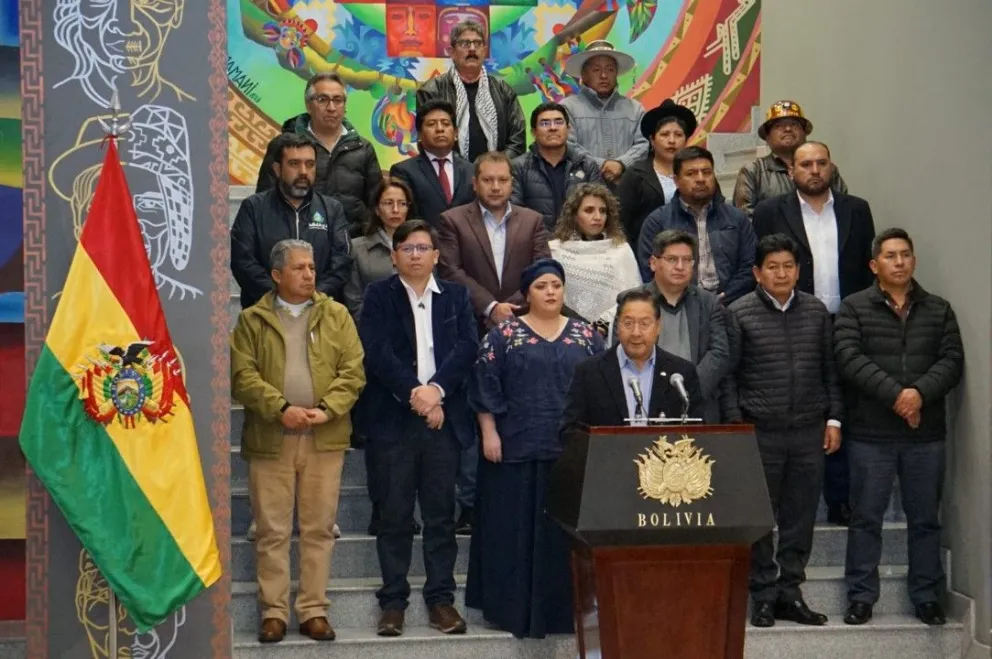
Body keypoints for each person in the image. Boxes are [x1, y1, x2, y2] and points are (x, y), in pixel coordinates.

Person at [231, 239, 366, 644]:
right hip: (271, 436)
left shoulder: (336, 315)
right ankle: (273, 612)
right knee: (271, 529)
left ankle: (313, 611)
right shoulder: (252, 320)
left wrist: (325, 409)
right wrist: (281, 408)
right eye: (299, 268)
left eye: (311, 267)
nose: (309, 274)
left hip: (324, 436)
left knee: (319, 528)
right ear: (276, 275)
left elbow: (353, 371)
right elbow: (242, 377)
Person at [833, 228, 964, 627]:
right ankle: (860, 597)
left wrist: (918, 395)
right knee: (866, 518)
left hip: (924, 436)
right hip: (871, 436)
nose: (899, 262)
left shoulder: (939, 309)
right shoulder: (854, 308)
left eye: (905, 254)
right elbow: (849, 358)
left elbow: (952, 360)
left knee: (924, 518)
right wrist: (898, 398)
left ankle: (927, 597)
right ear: (875, 265)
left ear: (914, 260)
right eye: (890, 256)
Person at [355, 221, 479, 637]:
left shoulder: (457, 297)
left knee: (441, 517)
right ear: (393, 255)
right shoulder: (378, 296)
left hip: (442, 422)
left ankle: (441, 600)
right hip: (393, 421)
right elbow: (377, 352)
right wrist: (417, 394)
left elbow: (467, 348)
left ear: (436, 255)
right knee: (394, 516)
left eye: (422, 247)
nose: (414, 254)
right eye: (406, 247)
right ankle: (393, 603)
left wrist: (438, 393)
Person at [468, 258, 604, 638]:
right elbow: (484, 384)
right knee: (511, 534)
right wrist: (489, 432)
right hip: (514, 451)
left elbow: (602, 389)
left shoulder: (586, 337)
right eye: (542, 286)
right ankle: (510, 611)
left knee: (561, 540)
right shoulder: (504, 335)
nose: (550, 292)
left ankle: (565, 613)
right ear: (527, 292)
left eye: (556, 285)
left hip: (571, 457)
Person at [721, 234, 842, 629]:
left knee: (800, 517)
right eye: (772, 267)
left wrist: (834, 419)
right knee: (758, 518)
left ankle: (791, 592)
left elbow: (831, 372)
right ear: (757, 273)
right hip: (759, 431)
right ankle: (763, 595)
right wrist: (736, 425)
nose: (781, 273)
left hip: (808, 430)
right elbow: (729, 378)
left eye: (788, 266)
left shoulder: (816, 311)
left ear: (799, 270)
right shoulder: (738, 313)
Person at [752, 140, 876, 526]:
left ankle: (840, 499)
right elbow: (766, 262)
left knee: (843, 411)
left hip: (848, 320)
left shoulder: (857, 209)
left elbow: (865, 267)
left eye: (821, 163)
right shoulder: (771, 211)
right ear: (792, 171)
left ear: (831, 167)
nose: (815, 170)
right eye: (806, 164)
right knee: (808, 403)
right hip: (795, 318)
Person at [438, 151, 550, 534]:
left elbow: (543, 270)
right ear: (475, 182)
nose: (497, 186)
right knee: (474, 420)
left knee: (517, 416)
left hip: (523, 332)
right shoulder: (453, 221)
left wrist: (515, 307)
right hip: (470, 330)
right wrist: (489, 306)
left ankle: (515, 501)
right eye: (489, 180)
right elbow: (450, 271)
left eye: (503, 180)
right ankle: (470, 505)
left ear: (511, 182)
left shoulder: (533, 221)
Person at [618, 230, 730, 423]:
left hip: (696, 405)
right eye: (672, 259)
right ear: (653, 263)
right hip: (643, 403)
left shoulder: (708, 303)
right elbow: (621, 352)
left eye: (687, 260)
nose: (680, 267)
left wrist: (688, 390)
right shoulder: (631, 300)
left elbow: (719, 354)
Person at [231, 133, 353, 309]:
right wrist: (281, 300)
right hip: (266, 315)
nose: (303, 172)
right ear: (277, 169)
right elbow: (243, 262)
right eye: (294, 164)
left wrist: (312, 298)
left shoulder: (332, 209)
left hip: (318, 313)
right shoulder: (253, 208)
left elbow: (342, 262)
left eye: (310, 164)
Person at [256, 72, 383, 236]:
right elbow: (264, 201)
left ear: (344, 106)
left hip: (352, 242)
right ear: (309, 105)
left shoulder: (362, 148)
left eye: (338, 100)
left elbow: (377, 202)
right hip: (299, 242)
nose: (331, 108)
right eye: (322, 100)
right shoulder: (285, 146)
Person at [561, 288, 703, 432]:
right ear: (617, 326)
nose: (636, 333)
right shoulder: (589, 372)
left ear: (658, 326)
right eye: (628, 323)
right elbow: (570, 431)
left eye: (644, 324)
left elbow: (698, 432)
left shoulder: (681, 373)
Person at [636, 146, 756, 304]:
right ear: (676, 181)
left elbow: (749, 265)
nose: (700, 179)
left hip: (730, 304)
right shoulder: (658, 221)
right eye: (691, 174)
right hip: (677, 307)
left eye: (706, 172)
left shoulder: (736, 218)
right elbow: (649, 269)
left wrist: (723, 298)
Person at [416, 20, 526, 162]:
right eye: (465, 44)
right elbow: (428, 141)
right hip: (450, 175)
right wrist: (462, 171)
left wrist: (496, 167)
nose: (472, 49)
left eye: (477, 43)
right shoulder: (431, 91)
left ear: (484, 51)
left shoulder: (503, 90)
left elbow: (517, 139)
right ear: (452, 52)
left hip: (496, 176)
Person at [733, 100, 847, 218]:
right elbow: (744, 218)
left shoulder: (827, 169)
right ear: (767, 137)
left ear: (805, 133)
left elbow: (843, 207)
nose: (788, 129)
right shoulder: (753, 171)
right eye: (779, 126)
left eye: (794, 125)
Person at [548, 183, 640, 324]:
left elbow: (632, 294)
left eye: (603, 211)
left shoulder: (621, 249)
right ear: (574, 215)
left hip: (612, 330)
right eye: (589, 210)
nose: (598, 217)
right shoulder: (556, 250)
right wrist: (582, 326)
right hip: (566, 329)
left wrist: (602, 324)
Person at [560, 41, 648, 186]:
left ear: (617, 73)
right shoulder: (567, 107)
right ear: (583, 74)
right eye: (596, 70)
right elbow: (568, 145)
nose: (603, 75)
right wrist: (603, 165)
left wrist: (621, 164)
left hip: (628, 188)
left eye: (610, 69)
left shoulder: (635, 109)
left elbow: (644, 144)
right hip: (582, 189)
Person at [616, 98, 697, 246]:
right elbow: (620, 223)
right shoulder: (635, 175)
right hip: (647, 253)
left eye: (678, 135)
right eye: (665, 135)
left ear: (686, 141)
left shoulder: (699, 173)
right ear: (652, 141)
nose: (671, 141)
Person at [510, 102, 601, 232]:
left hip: (579, 245)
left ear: (568, 129)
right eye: (545, 123)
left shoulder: (587, 165)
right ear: (533, 132)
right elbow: (514, 214)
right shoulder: (518, 167)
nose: (553, 128)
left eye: (559, 122)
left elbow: (597, 211)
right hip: (535, 245)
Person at [389, 100, 476, 228]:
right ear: (419, 135)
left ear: (456, 133)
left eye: (446, 124)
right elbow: (407, 216)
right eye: (431, 124)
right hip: (424, 244)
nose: (440, 129)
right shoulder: (403, 171)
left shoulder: (472, 170)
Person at [343, 177, 414, 319]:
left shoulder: (421, 246)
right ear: (376, 209)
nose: (395, 210)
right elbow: (354, 302)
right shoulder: (357, 248)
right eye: (388, 203)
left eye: (402, 204)